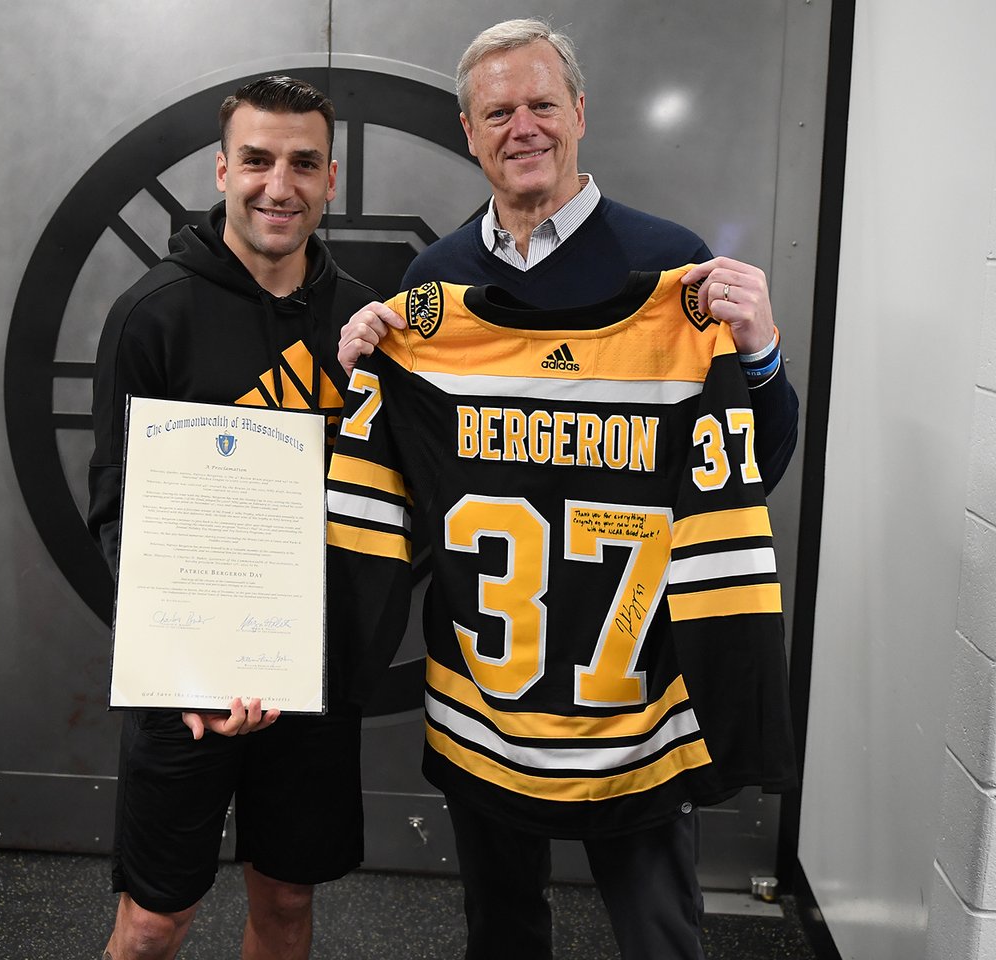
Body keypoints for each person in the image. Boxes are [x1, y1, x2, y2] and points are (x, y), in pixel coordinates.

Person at [333, 18, 800, 960]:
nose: (523, 127)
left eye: (542, 104)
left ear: (580, 113)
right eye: (498, 112)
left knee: (660, 938)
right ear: (470, 132)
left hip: (635, 701)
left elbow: (758, 465)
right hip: (486, 697)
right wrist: (367, 387)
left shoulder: (674, 272)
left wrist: (758, 358)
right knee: (502, 933)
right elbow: (408, 494)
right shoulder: (433, 291)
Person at [87, 76, 375, 960]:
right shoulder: (151, 315)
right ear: (222, 170)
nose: (278, 186)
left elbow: (384, 501)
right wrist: (188, 668)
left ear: (331, 179)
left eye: (303, 164)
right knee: (151, 924)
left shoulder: (365, 322)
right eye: (256, 160)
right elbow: (117, 515)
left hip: (310, 675)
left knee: (286, 901)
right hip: (187, 683)